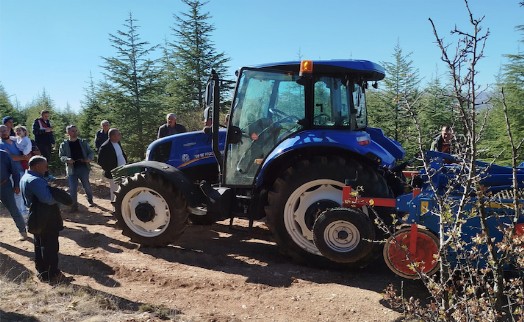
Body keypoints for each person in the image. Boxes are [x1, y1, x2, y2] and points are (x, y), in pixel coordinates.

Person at [20, 156, 70, 283]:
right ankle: (52, 274)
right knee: (50, 246)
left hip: (35, 216)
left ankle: (42, 272)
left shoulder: (25, 177)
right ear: (37, 166)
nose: (47, 168)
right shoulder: (35, 180)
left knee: (39, 245)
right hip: (46, 217)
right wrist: (60, 196)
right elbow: (47, 199)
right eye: (45, 165)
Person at [58, 125, 95, 211]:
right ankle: (74, 206)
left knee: (86, 185)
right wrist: (67, 159)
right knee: (73, 188)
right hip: (71, 169)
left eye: (75, 130)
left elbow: (90, 152)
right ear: (68, 132)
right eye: (72, 131)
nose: (74, 132)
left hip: (83, 167)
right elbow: (61, 156)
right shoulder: (64, 144)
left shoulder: (83, 142)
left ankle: (90, 200)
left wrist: (89, 159)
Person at [0, 124, 30, 219]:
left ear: (9, 130)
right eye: (1, 131)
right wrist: (23, 157)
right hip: (11, 174)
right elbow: (10, 157)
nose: (4, 133)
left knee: (24, 192)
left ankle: (25, 213)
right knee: (17, 193)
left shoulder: (16, 142)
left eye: (5, 130)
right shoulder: (1, 145)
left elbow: (27, 151)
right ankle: (22, 217)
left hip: (23, 170)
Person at [0, 149, 28, 241]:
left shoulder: (3, 154)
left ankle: (22, 231)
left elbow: (14, 171)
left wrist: (16, 185)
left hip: (4, 185)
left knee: (13, 209)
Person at [97, 128, 127, 201]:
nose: (120, 135)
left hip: (122, 169)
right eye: (118, 134)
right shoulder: (105, 147)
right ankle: (114, 206)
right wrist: (111, 170)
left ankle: (121, 204)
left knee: (122, 187)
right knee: (114, 189)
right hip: (114, 172)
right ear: (113, 136)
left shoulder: (117, 142)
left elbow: (121, 154)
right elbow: (100, 161)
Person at [32, 110, 55, 179]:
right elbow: (35, 132)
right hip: (41, 143)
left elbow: (50, 133)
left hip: (48, 143)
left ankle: (47, 174)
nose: (47, 117)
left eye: (48, 116)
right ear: (41, 115)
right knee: (42, 159)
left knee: (48, 158)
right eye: (45, 116)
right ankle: (43, 175)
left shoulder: (48, 122)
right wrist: (44, 130)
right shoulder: (37, 121)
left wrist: (53, 142)